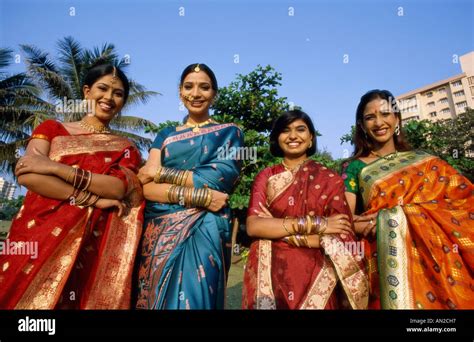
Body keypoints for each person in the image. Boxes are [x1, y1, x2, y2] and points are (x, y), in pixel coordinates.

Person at [0, 63, 143, 309]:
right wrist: (94, 199)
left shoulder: (125, 148)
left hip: (89, 247)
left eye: (118, 94)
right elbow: (27, 174)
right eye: (103, 88)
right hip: (37, 233)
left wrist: (54, 168)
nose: (109, 98)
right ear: (87, 92)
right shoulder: (53, 129)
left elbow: (116, 188)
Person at [342, 89, 474, 309]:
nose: (379, 122)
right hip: (384, 256)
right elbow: (344, 220)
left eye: (385, 114)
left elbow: (464, 202)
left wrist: (400, 216)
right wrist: (383, 224)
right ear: (362, 126)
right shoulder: (355, 167)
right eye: (370, 117)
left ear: (397, 119)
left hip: (441, 254)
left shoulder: (426, 160)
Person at [135, 63, 243, 309]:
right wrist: (202, 197)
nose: (196, 93)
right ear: (180, 92)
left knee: (197, 297)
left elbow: (219, 178)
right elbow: (147, 186)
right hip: (161, 230)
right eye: (189, 87)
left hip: (206, 229)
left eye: (204, 87)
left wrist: (163, 172)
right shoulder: (165, 134)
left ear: (214, 93)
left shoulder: (229, 132)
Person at [242, 110, 368, 310]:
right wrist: (319, 225)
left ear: (311, 139)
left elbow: (342, 235)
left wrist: (276, 228)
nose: (293, 136)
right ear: (276, 139)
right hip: (270, 271)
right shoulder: (266, 176)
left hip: (318, 275)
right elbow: (254, 226)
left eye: (300, 130)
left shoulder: (329, 179)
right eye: (285, 130)